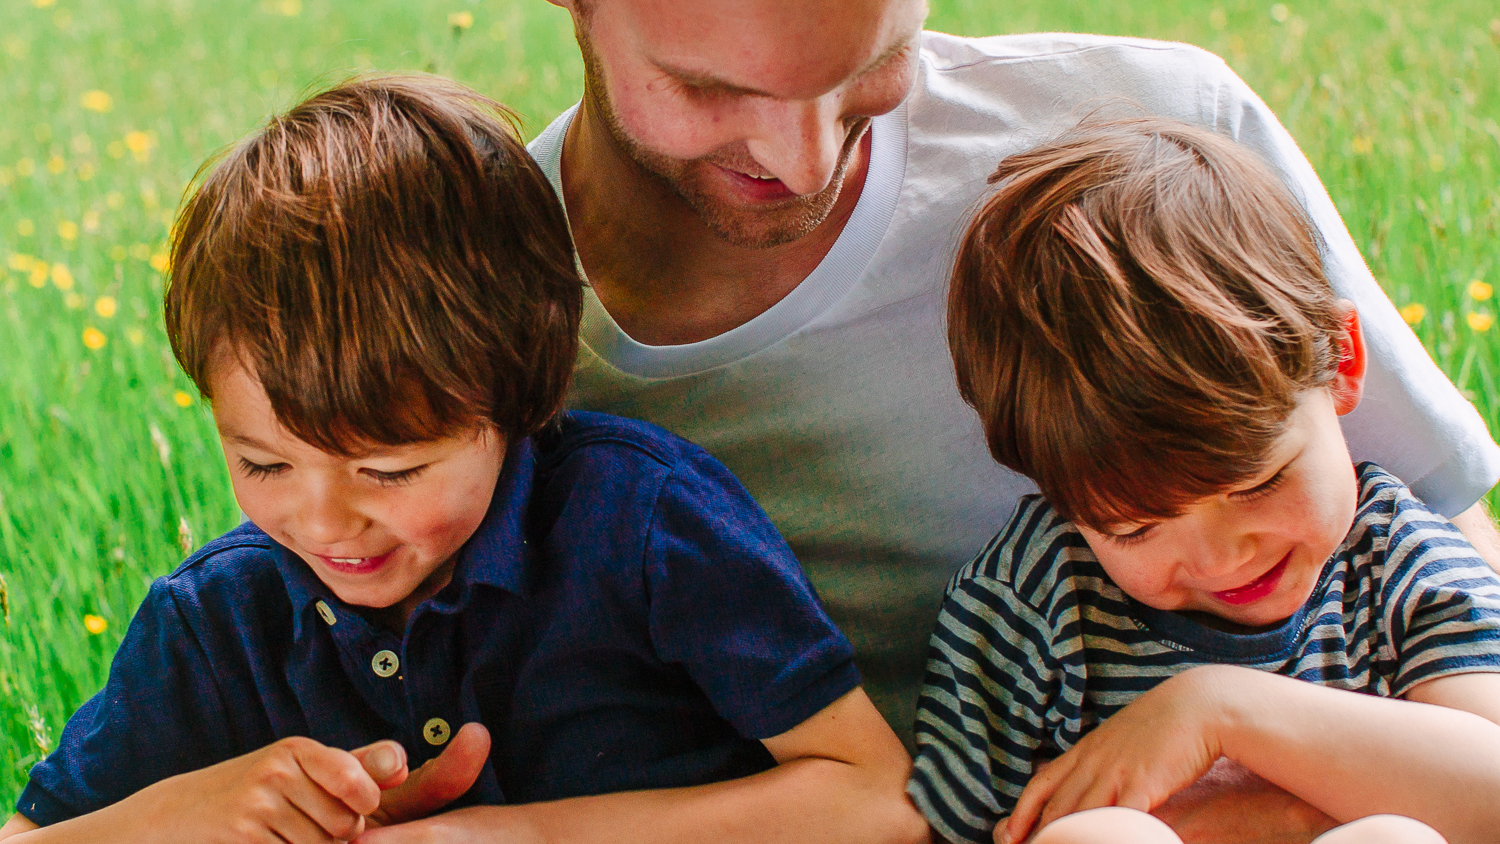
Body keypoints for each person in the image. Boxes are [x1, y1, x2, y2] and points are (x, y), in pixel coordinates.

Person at [528, 1, 1500, 835]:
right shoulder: (449, 314)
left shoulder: (1163, 135)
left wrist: (1237, 725)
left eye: (872, 68)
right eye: (711, 88)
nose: (807, 158)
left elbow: (1450, 540)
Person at [0, 74, 926, 844]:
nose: (320, 524)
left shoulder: (643, 526)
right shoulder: (218, 623)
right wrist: (168, 817)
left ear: (524, 393)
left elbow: (878, 800)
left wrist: (524, 836)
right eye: (265, 465)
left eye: (391, 471)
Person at [905, 118, 1500, 844]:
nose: (1223, 558)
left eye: (1256, 483)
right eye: (1135, 528)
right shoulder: (1031, 599)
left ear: (1341, 361)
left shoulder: (1396, 558)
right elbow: (947, 831)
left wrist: (1220, 711)